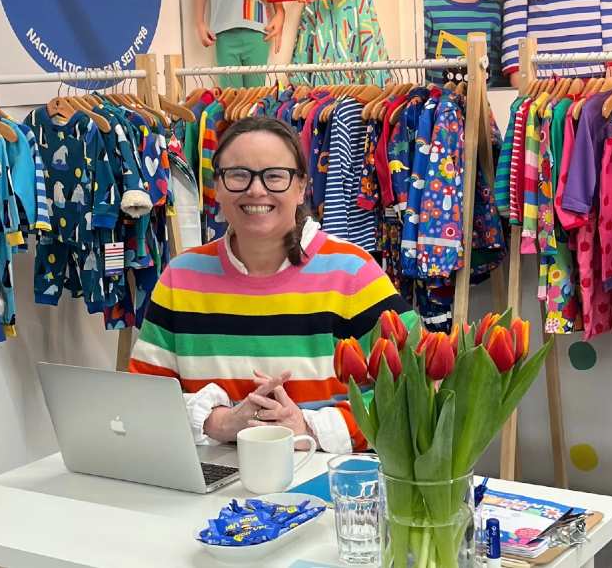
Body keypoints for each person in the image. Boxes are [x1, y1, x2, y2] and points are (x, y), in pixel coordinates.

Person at [129, 117, 416, 454]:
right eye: (238, 175)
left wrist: (307, 425)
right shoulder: (180, 278)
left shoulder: (353, 274)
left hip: (323, 486)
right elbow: (143, 398)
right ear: (217, 187)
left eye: (275, 176)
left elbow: (419, 387)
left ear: (301, 187)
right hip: (205, 491)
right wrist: (218, 421)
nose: (256, 189)